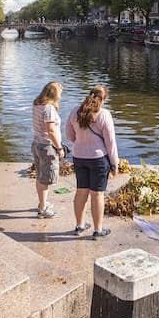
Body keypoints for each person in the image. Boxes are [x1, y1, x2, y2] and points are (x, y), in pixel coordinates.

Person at [65, 85, 119, 239]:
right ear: (104, 99)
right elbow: (110, 142)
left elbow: (68, 135)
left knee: (81, 191)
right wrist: (115, 164)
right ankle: (98, 230)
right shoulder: (104, 115)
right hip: (98, 159)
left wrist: (80, 142)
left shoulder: (75, 111)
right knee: (97, 194)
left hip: (79, 157)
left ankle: (79, 225)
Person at [31, 81, 65, 218]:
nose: (61, 96)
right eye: (60, 93)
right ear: (54, 94)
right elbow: (50, 130)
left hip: (37, 144)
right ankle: (43, 209)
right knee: (45, 179)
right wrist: (59, 147)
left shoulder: (37, 105)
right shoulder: (49, 109)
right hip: (47, 147)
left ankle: (42, 203)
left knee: (40, 176)